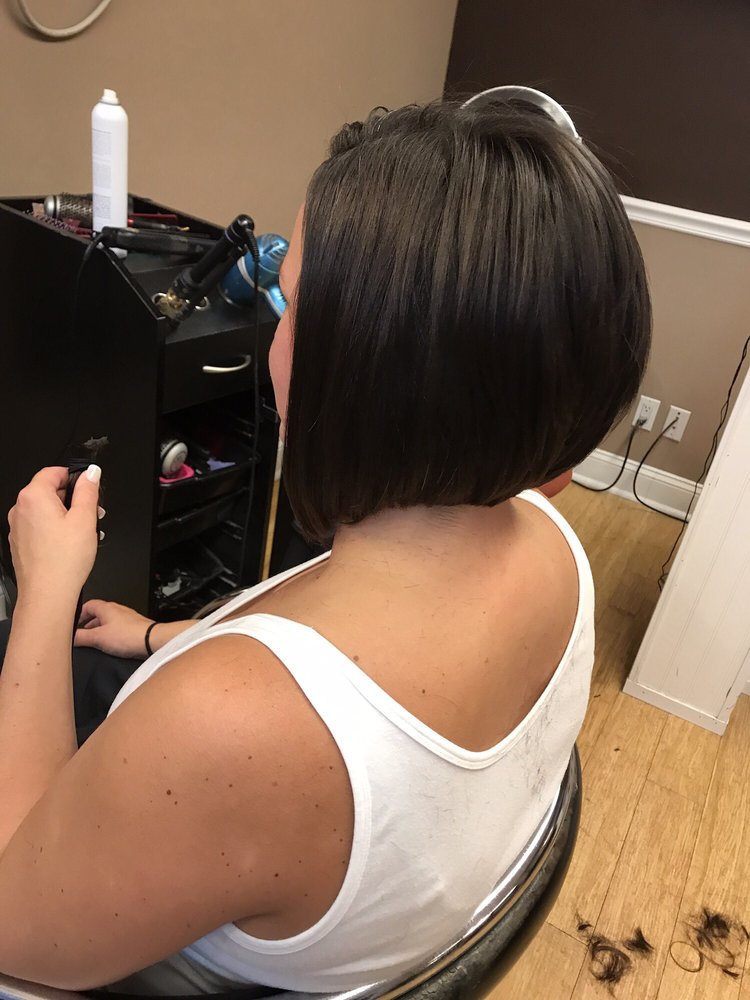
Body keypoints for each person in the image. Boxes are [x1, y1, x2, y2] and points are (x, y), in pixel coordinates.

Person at [0, 99, 650, 994]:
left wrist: (45, 586)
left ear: (365, 373)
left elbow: (13, 927)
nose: (274, 330)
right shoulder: (556, 546)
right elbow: (343, 684)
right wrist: (156, 637)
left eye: (294, 303)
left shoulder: (229, 730)